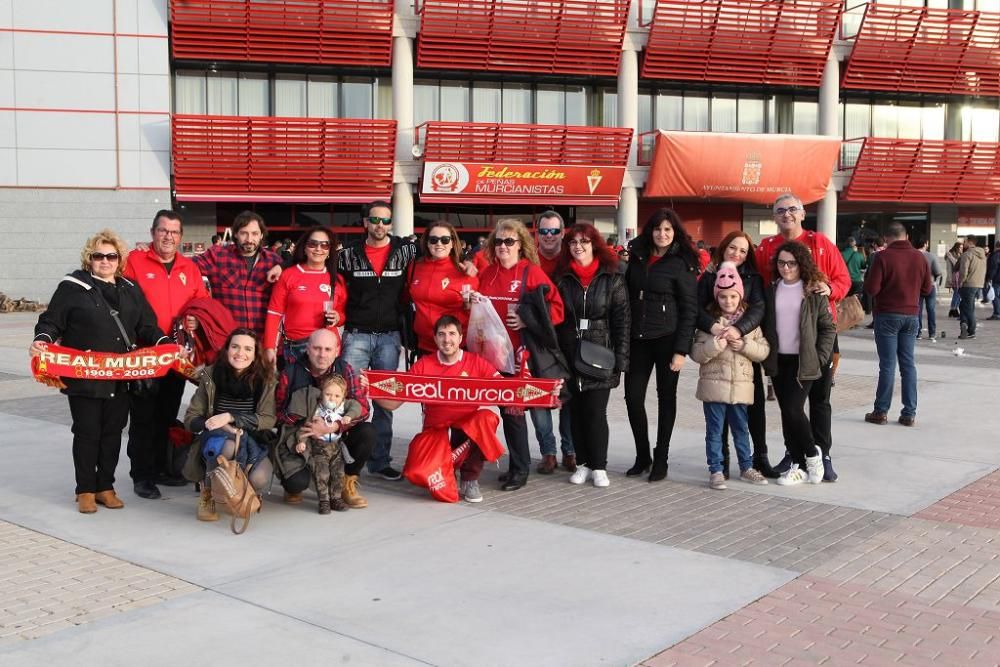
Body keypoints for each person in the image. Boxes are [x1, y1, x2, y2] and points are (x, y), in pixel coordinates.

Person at [32, 229, 166, 514]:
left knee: (113, 433)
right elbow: (51, 321)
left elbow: (146, 325)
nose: (105, 261)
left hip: (119, 377)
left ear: (119, 259)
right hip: (85, 377)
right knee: (87, 432)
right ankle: (85, 490)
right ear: (89, 259)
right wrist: (42, 339)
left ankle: (105, 486)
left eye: (111, 256)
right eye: (98, 256)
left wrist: (163, 342)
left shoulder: (130, 289)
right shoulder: (72, 287)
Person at [756, 193, 849, 483]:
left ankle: (823, 453)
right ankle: (793, 452)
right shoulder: (767, 247)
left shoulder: (821, 243)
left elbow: (843, 280)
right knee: (788, 404)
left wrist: (828, 289)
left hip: (819, 336)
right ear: (774, 216)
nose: (787, 214)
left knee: (820, 400)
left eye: (792, 209)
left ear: (803, 213)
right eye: (780, 210)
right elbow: (757, 282)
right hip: (783, 342)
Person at [122, 210, 208, 499]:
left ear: (180, 236)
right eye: (163, 231)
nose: (168, 236)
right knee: (143, 418)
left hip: (176, 357)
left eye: (174, 232)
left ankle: (160, 466)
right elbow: (122, 304)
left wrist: (196, 317)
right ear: (152, 233)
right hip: (144, 355)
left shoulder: (189, 268)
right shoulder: (134, 262)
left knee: (166, 415)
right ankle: (141, 474)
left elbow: (202, 303)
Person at [476, 218, 564, 491]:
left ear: (521, 245)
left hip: (520, 357)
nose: (503, 246)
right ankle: (516, 464)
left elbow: (557, 310)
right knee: (506, 412)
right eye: (499, 241)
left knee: (514, 413)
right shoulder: (487, 273)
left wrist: (527, 320)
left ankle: (520, 470)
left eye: (509, 241)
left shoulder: (531, 273)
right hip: (492, 357)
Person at [378, 315, 505, 503]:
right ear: (435, 338)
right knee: (416, 472)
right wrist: (371, 391)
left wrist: (547, 393)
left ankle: (470, 479)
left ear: (461, 338)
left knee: (487, 418)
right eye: (442, 334)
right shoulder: (423, 365)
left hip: (466, 431)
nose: (447, 340)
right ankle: (446, 468)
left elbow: (505, 391)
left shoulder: (476, 362)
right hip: (437, 432)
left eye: (452, 334)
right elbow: (394, 403)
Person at [338, 200, 418, 481]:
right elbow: (311, 259)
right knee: (345, 398)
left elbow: (444, 252)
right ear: (365, 222)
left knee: (385, 401)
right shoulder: (347, 254)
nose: (380, 226)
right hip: (356, 335)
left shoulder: (405, 250)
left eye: (385, 221)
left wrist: (471, 263)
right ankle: (344, 458)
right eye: (375, 220)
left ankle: (380, 460)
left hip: (389, 337)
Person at [623, 208, 699, 482]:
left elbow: (690, 309)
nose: (662, 234)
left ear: (675, 232)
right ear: (650, 231)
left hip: (668, 340)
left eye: (668, 229)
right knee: (632, 398)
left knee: (666, 399)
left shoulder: (682, 262)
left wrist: (682, 350)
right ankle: (643, 455)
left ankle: (661, 457)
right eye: (657, 229)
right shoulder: (638, 256)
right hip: (638, 340)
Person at [553, 223, 629, 488]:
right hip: (570, 352)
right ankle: (583, 463)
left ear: (594, 245)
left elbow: (622, 321)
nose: (579, 247)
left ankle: (599, 465)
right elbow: (555, 318)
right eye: (573, 242)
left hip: (600, 352)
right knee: (575, 412)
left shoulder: (612, 277)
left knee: (596, 412)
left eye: (584, 242)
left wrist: (621, 360)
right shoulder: (562, 278)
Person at [695, 230, 773, 478]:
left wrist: (738, 331)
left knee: (749, 411)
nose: (737, 254)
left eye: (743, 250)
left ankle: (755, 460)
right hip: (717, 354)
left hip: (744, 350)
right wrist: (714, 327)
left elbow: (758, 308)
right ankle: (720, 465)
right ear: (723, 247)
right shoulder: (708, 276)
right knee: (717, 420)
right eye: (733, 248)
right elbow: (697, 309)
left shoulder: (752, 276)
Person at [274, 328, 375, 508]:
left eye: (328, 349)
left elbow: (363, 409)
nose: (322, 355)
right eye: (317, 348)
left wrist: (334, 426)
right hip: (302, 436)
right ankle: (293, 484)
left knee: (367, 432)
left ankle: (346, 483)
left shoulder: (345, 369)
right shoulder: (290, 372)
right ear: (308, 348)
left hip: (335, 435)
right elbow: (277, 413)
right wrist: (305, 423)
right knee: (296, 482)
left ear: (337, 351)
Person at [183, 328, 276, 522]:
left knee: (260, 479)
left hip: (251, 440)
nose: (240, 353)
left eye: (247, 349)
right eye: (235, 347)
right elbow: (191, 418)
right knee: (226, 445)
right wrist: (216, 425)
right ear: (227, 350)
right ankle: (208, 495)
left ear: (255, 354)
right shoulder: (211, 374)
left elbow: (268, 419)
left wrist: (230, 417)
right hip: (215, 439)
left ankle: (243, 488)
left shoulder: (265, 379)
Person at [763, 242, 836, 487]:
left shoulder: (813, 291)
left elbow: (828, 328)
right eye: (781, 263)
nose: (786, 268)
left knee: (794, 409)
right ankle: (797, 464)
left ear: (801, 264)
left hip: (804, 360)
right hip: (778, 360)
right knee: (786, 412)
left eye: (791, 263)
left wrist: (821, 357)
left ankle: (813, 455)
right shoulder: (772, 289)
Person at [862, 223, 931, 427]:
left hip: (887, 315)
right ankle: (909, 413)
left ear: (886, 238)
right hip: (911, 315)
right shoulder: (920, 257)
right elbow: (927, 289)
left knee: (888, 365)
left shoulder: (882, 257)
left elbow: (872, 289)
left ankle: (881, 411)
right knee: (908, 364)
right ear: (906, 236)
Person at [264, 226, 347, 367]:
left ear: (329, 251)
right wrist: (269, 347)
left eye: (324, 245)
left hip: (326, 349)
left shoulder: (336, 279)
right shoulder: (288, 275)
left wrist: (338, 317)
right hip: (296, 347)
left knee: (327, 389)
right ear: (304, 247)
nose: (318, 249)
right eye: (313, 244)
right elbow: (274, 313)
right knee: (293, 389)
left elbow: (342, 314)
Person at [531, 210, 576, 475]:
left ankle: (569, 451)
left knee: (567, 397)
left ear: (562, 233)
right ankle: (548, 452)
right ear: (537, 234)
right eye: (544, 232)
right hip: (537, 338)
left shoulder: (571, 260)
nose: (549, 237)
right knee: (538, 396)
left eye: (554, 231)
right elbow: (488, 258)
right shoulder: (528, 260)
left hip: (566, 337)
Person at [192, 211, 282, 336]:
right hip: (226, 339)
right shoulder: (218, 256)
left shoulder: (274, 261)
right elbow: (185, 268)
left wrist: (284, 265)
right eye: (244, 233)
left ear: (261, 235)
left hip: (262, 340)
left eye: (255, 234)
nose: (249, 239)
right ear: (235, 234)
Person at [287, 374, 363, 514]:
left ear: (343, 397)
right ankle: (324, 500)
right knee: (322, 474)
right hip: (319, 448)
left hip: (336, 447)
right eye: (328, 394)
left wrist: (349, 416)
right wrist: (301, 441)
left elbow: (357, 406)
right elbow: (304, 428)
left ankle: (336, 498)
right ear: (321, 393)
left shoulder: (343, 406)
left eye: (336, 396)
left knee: (338, 474)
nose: (332, 399)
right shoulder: (316, 410)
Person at [406, 221, 478, 355]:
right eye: (433, 240)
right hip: (424, 346)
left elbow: (477, 310)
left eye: (445, 240)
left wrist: (469, 305)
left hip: (456, 348)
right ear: (427, 243)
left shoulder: (466, 270)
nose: (439, 244)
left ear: (452, 243)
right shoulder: (415, 267)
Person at [957, 235, 986, 339]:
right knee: (964, 305)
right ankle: (964, 324)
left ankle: (971, 331)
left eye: (964, 241)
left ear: (969, 242)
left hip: (968, 284)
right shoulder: (982, 255)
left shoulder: (967, 254)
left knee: (968, 308)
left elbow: (963, 271)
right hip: (978, 284)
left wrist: (961, 282)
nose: (963, 243)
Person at [915, 238, 942, 340]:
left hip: (916, 286)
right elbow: (938, 272)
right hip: (930, 285)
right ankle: (932, 333)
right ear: (925, 244)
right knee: (931, 310)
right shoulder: (931, 256)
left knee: (918, 310)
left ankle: (918, 332)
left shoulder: (912, 256)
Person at [945, 241, 964, 318]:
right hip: (954, 278)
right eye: (960, 248)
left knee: (958, 294)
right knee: (957, 294)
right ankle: (953, 309)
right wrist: (949, 280)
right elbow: (949, 268)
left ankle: (954, 310)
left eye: (962, 248)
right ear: (956, 247)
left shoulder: (960, 255)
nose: (961, 249)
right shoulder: (950, 256)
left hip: (959, 277)